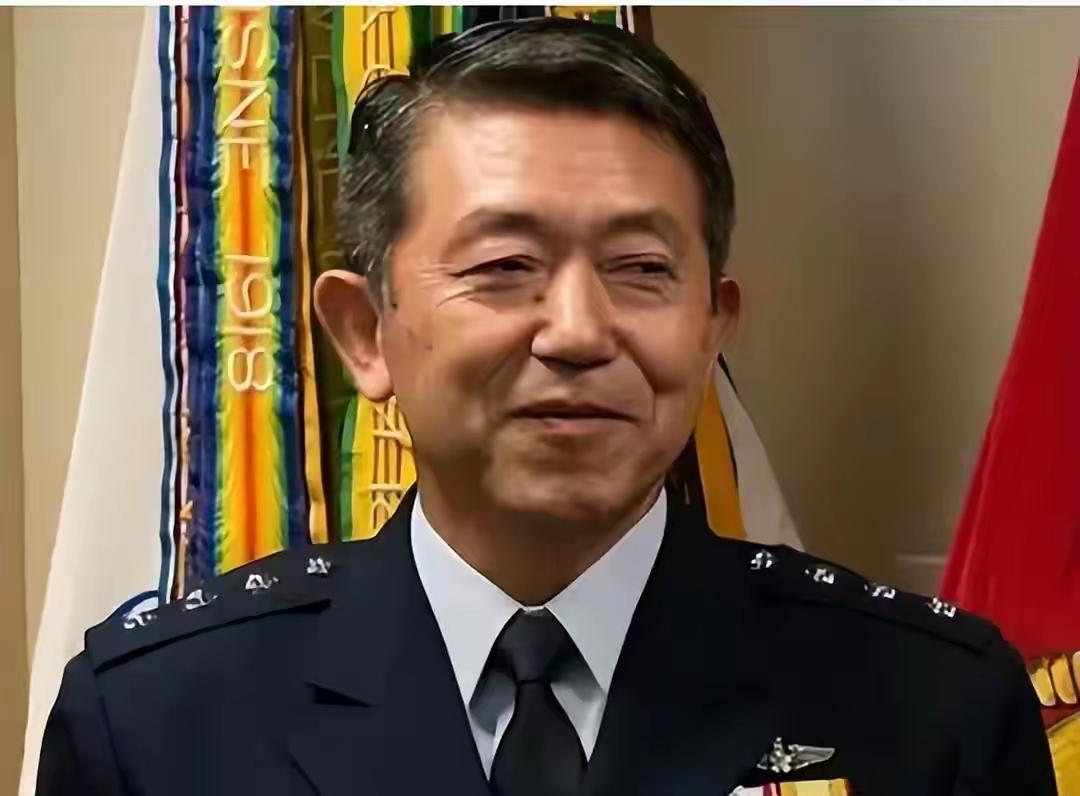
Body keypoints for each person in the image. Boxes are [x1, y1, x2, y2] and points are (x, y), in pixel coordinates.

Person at [37, 17, 1055, 796]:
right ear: (366, 333)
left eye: (641, 267)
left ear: (713, 329)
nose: (576, 331)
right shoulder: (157, 722)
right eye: (504, 266)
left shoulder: (935, 710)